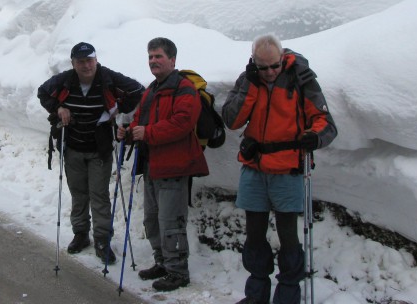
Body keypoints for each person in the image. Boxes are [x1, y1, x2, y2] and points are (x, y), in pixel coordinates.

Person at [221, 34, 337, 304]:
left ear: (282, 57)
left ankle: (287, 296)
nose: (270, 72)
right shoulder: (248, 79)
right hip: (254, 168)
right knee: (254, 235)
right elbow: (232, 120)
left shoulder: (301, 77)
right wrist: (251, 84)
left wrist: (315, 137)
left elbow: (325, 122)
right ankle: (257, 295)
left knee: (288, 237)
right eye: (264, 67)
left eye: (275, 65)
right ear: (254, 63)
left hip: (288, 170)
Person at [37, 42, 144, 264]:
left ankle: (102, 239)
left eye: (89, 60)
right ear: (73, 63)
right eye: (80, 62)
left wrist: (117, 108)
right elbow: (43, 92)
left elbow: (138, 91)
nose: (86, 66)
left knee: (99, 194)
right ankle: (81, 234)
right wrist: (59, 108)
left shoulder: (108, 78)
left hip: (100, 149)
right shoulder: (65, 80)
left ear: (96, 59)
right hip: (73, 147)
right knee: (78, 193)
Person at [118, 37, 209, 292]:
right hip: (152, 166)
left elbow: (182, 123)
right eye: (150, 57)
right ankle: (162, 263)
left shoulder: (185, 89)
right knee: (152, 220)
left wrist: (148, 133)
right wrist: (128, 131)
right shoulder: (151, 90)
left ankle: (178, 271)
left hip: (174, 166)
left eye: (158, 56)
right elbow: (140, 120)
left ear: (172, 59)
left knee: (171, 222)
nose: (153, 61)